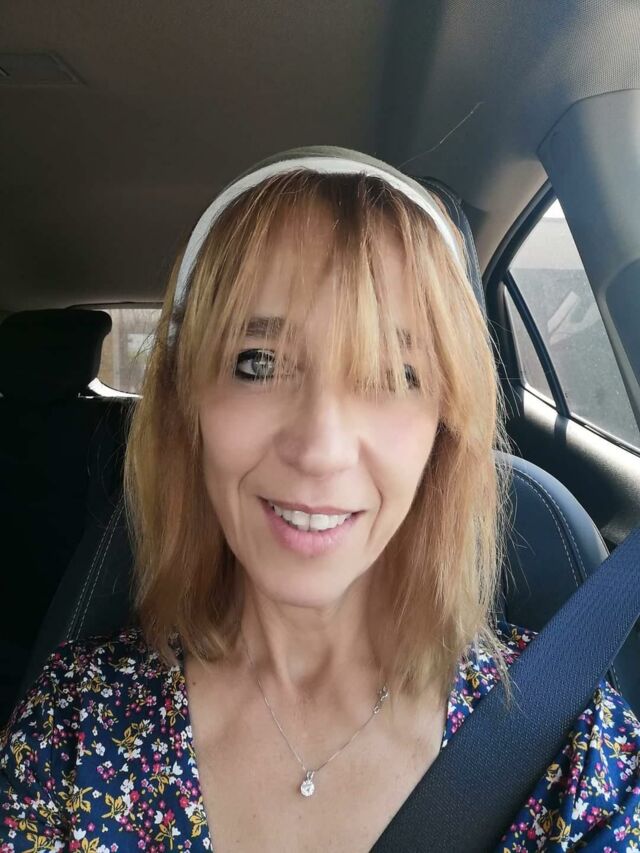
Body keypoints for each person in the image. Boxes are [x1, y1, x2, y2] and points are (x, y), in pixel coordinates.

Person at [1, 146, 639, 852]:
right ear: (188, 409)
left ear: (444, 423)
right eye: (258, 362)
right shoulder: (73, 729)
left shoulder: (568, 745)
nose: (319, 448)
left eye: (392, 372)